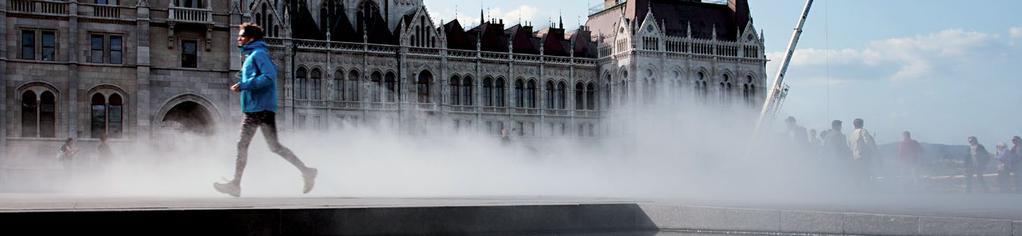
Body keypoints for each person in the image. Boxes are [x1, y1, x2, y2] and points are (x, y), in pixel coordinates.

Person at [215, 23, 317, 197]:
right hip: (260, 107)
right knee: (274, 147)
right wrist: (244, 78)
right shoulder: (253, 55)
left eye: (241, 35)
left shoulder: (258, 54)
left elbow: (269, 76)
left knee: (242, 145)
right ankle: (306, 171)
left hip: (257, 108)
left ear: (251, 38)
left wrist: (245, 84)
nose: (238, 38)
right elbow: (267, 72)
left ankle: (235, 184)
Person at [848, 118, 878, 187]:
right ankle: (868, 189)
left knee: (858, 174)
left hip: (855, 157)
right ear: (861, 124)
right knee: (866, 173)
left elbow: (850, 146)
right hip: (864, 156)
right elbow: (868, 142)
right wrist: (874, 151)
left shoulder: (851, 134)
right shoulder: (863, 131)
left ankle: (859, 189)